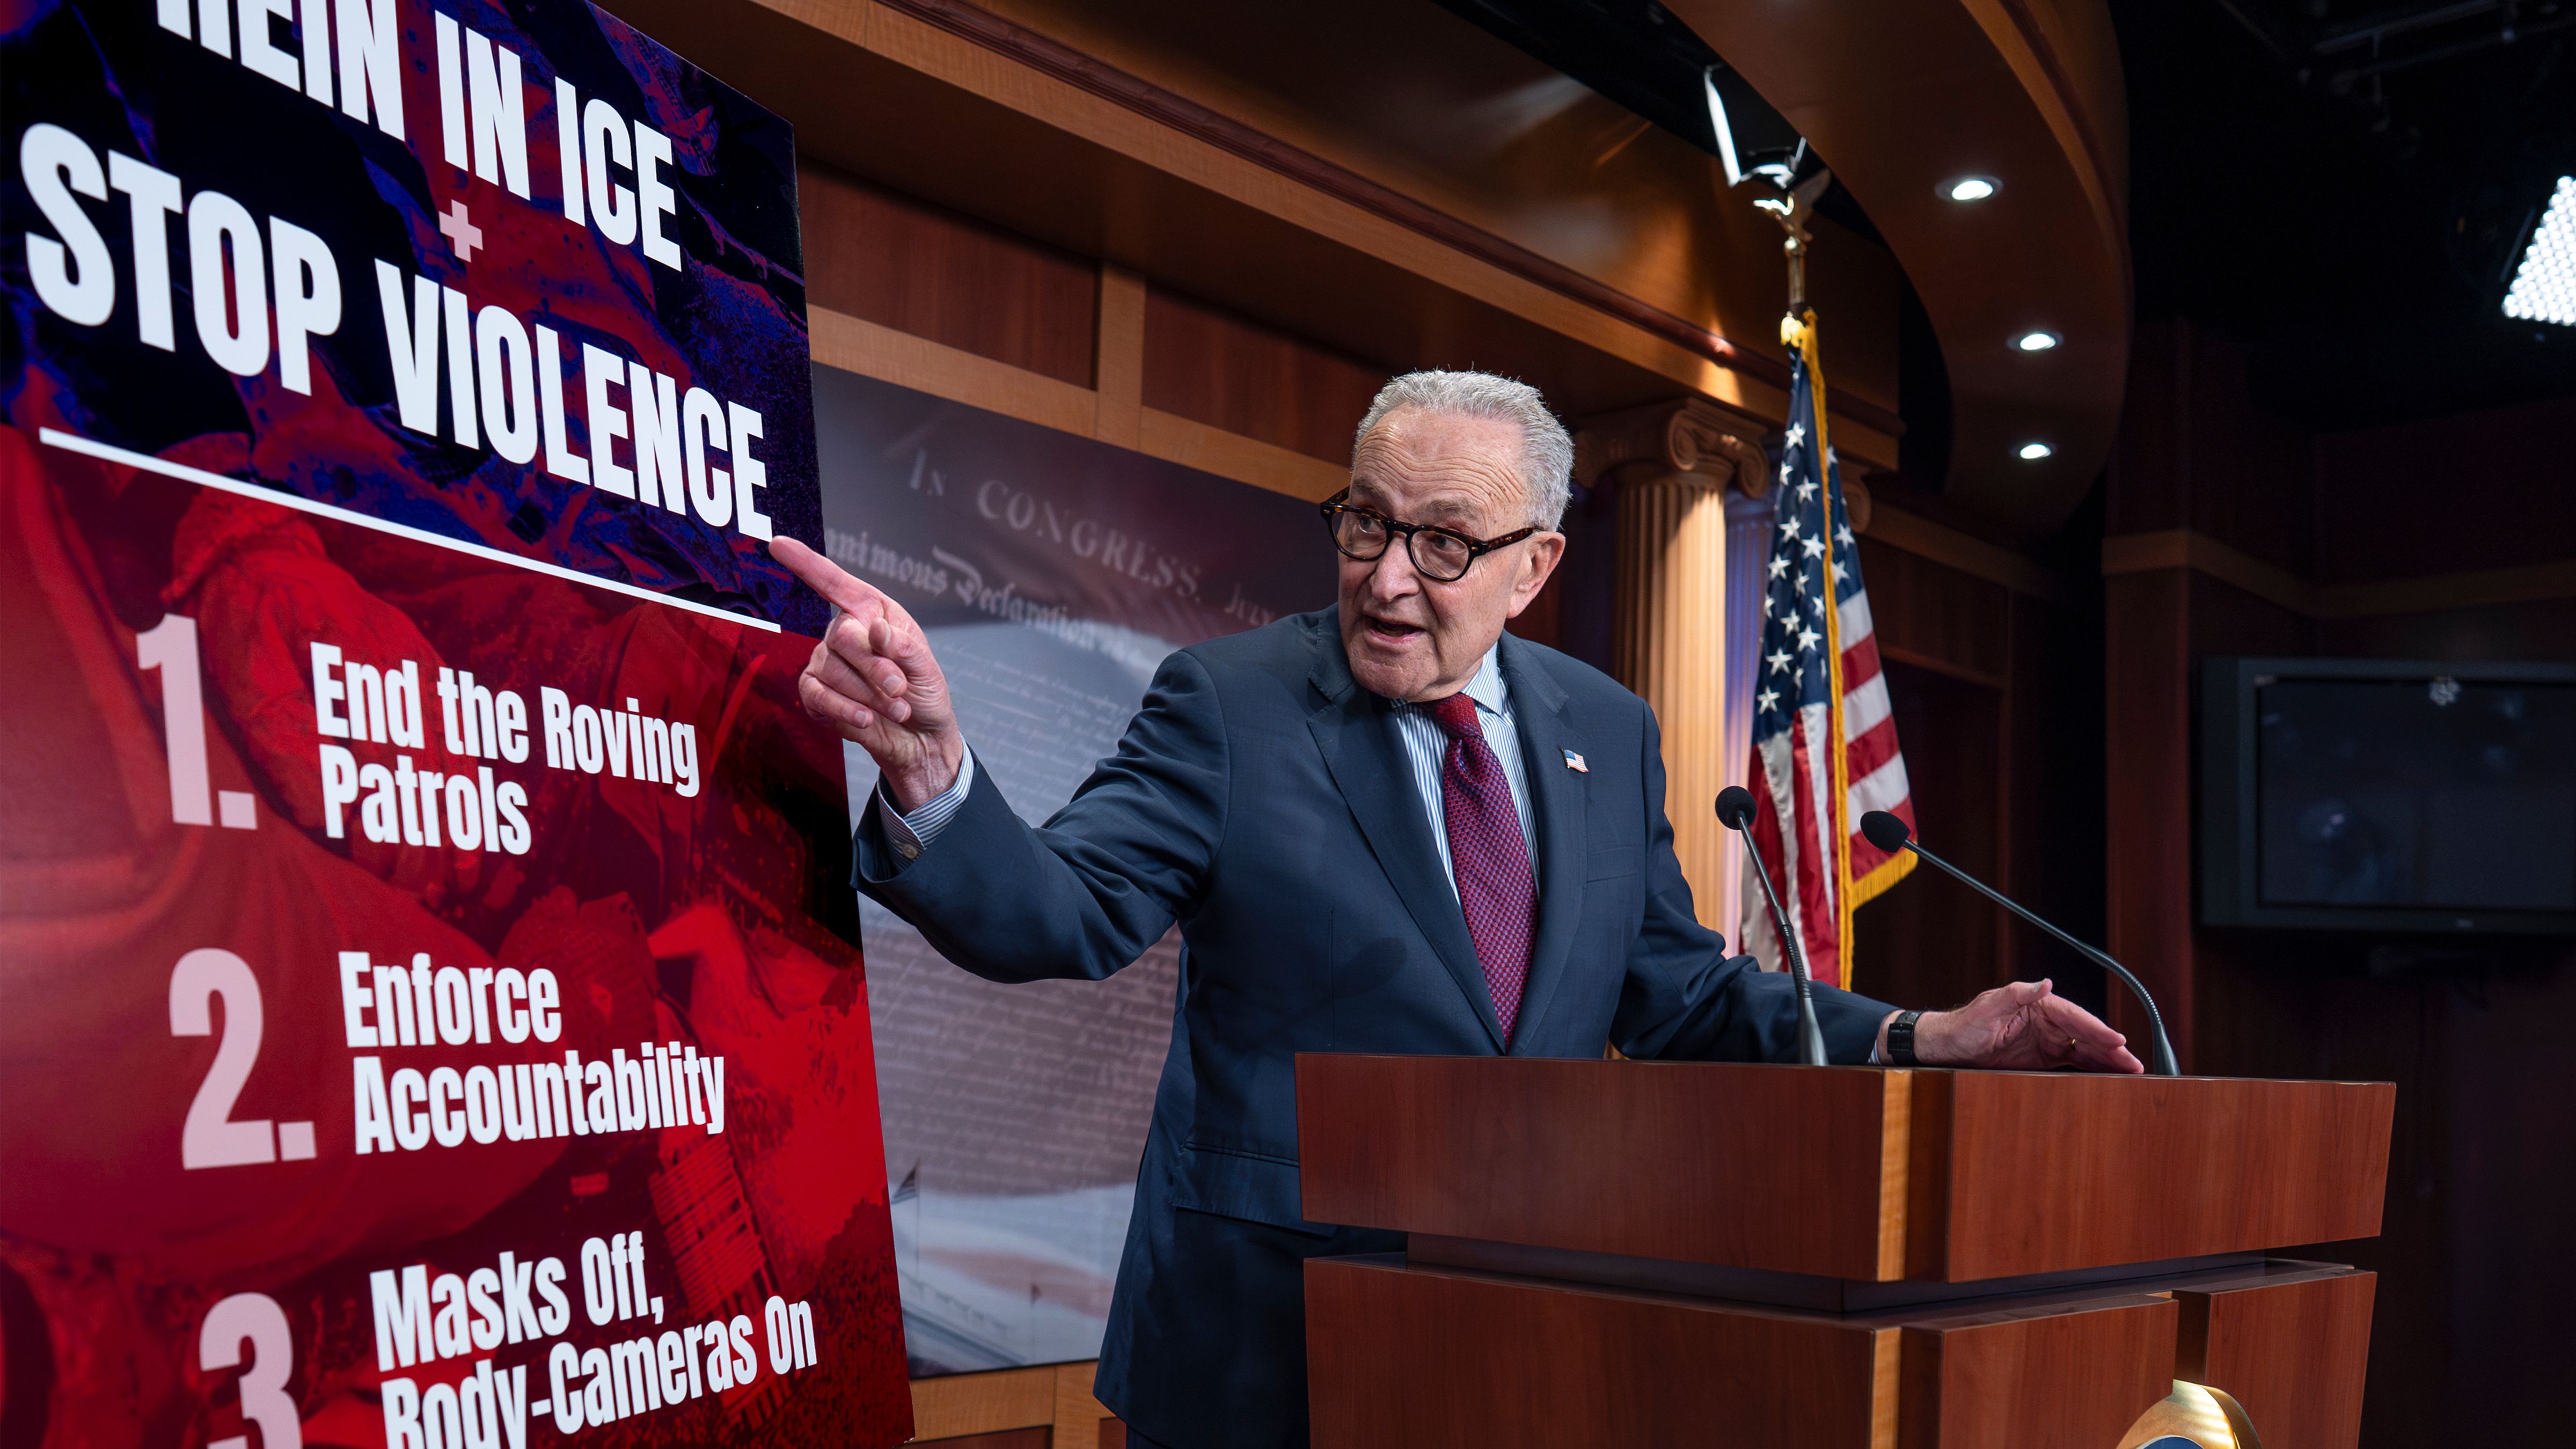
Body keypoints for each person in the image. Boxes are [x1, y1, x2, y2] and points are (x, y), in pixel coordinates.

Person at [773, 370, 2140, 1449]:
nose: (1383, 577)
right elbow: (1056, 913)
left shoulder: (1606, 726)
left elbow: (1683, 994)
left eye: (1442, 543)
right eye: (1367, 523)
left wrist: (1920, 1037)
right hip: (1260, 1356)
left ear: (1535, 566)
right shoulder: (1229, 703)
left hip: (1518, 1345)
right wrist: (934, 771)